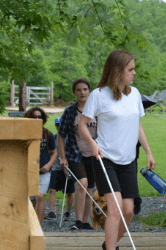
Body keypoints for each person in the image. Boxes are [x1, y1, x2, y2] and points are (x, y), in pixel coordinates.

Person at [79, 49, 156, 250]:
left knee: (129, 211)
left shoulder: (135, 94)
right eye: (131, 69)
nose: (134, 73)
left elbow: (137, 125)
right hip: (105, 159)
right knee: (115, 209)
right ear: (118, 71)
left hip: (128, 160)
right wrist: (93, 144)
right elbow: (82, 124)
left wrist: (148, 151)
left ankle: (109, 244)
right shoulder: (98, 95)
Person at [58, 78, 96, 230]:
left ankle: (86, 222)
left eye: (85, 89)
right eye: (79, 90)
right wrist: (62, 158)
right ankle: (78, 220)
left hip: (94, 154)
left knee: (89, 189)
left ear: (89, 91)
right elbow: (61, 135)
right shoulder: (69, 111)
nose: (82, 92)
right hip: (75, 154)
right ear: (74, 93)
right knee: (82, 183)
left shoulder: (96, 110)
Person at [24, 106, 57, 224]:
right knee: (31, 200)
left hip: (44, 171)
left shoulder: (48, 134)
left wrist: (49, 165)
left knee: (40, 197)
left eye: (40, 117)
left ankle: (38, 225)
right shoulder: (24, 134)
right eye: (34, 117)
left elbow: (54, 152)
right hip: (29, 172)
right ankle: (30, 225)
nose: (37, 119)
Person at [47, 116, 75, 220]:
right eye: (58, 125)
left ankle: (67, 212)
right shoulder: (53, 138)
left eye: (62, 125)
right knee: (51, 189)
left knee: (69, 192)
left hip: (68, 169)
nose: (60, 127)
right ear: (56, 126)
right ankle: (52, 211)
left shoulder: (71, 139)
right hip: (55, 168)